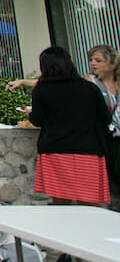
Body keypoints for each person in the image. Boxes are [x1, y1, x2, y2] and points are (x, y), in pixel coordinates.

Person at [27, 46, 110, 206]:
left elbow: (37, 120)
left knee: (61, 205)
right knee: (90, 206)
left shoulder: (42, 89)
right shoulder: (90, 88)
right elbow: (105, 118)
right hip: (89, 151)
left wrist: (29, 114)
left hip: (55, 151)